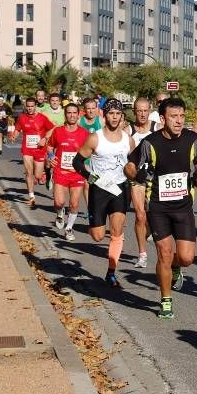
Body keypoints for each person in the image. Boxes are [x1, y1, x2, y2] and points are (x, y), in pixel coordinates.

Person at [124, 98, 197, 318]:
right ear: (162, 119)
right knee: (164, 253)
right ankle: (166, 300)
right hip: (158, 207)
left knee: (187, 257)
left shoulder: (192, 139)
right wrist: (137, 175)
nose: (179, 121)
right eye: (174, 117)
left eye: (182, 116)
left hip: (184, 206)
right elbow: (128, 166)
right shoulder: (150, 143)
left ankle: (177, 268)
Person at [73, 99, 135, 288]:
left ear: (122, 116)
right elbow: (77, 162)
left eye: (118, 114)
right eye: (111, 113)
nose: (114, 117)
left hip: (120, 189)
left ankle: (111, 272)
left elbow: (134, 165)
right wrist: (90, 178)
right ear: (104, 115)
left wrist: (136, 178)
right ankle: (94, 223)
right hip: (99, 190)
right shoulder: (95, 138)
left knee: (117, 231)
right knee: (98, 236)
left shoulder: (128, 140)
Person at [46, 103, 89, 241]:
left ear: (78, 115)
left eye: (74, 113)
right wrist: (51, 157)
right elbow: (50, 147)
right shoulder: (58, 131)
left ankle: (69, 228)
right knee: (59, 202)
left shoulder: (84, 133)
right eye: (69, 113)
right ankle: (60, 212)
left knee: (74, 204)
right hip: (60, 172)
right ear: (65, 114)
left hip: (77, 174)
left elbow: (90, 151)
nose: (72, 115)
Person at [127, 98, 158, 268]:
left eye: (145, 110)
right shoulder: (128, 130)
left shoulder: (157, 128)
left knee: (152, 215)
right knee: (140, 215)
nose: (142, 114)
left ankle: (148, 231)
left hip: (155, 178)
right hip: (137, 178)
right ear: (134, 111)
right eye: (139, 111)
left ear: (150, 110)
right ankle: (142, 254)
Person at [11, 97, 55, 206]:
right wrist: (14, 136)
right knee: (28, 172)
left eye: (32, 106)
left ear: (35, 106)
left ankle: (45, 174)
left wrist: (44, 139)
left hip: (39, 149)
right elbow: (17, 129)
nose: (30, 108)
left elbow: (52, 128)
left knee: (38, 175)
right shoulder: (22, 118)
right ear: (25, 106)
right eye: (28, 106)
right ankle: (31, 195)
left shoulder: (42, 118)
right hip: (27, 149)